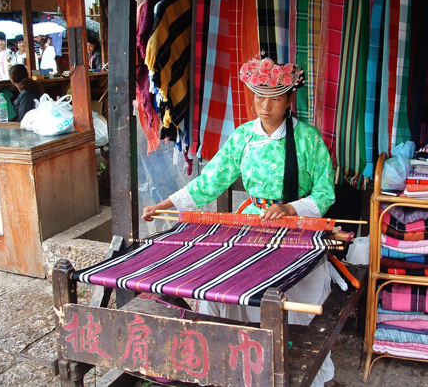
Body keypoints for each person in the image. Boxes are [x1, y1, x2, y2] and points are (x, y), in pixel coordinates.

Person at [142, 55, 336, 385]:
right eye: (259, 97)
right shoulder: (243, 137)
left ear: (289, 99)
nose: (265, 106)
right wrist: (167, 203)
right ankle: (234, 361)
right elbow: (210, 180)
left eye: (275, 98)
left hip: (296, 229)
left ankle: (287, 361)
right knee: (220, 282)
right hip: (249, 226)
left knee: (296, 290)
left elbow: (325, 193)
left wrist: (290, 209)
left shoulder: (308, 139)